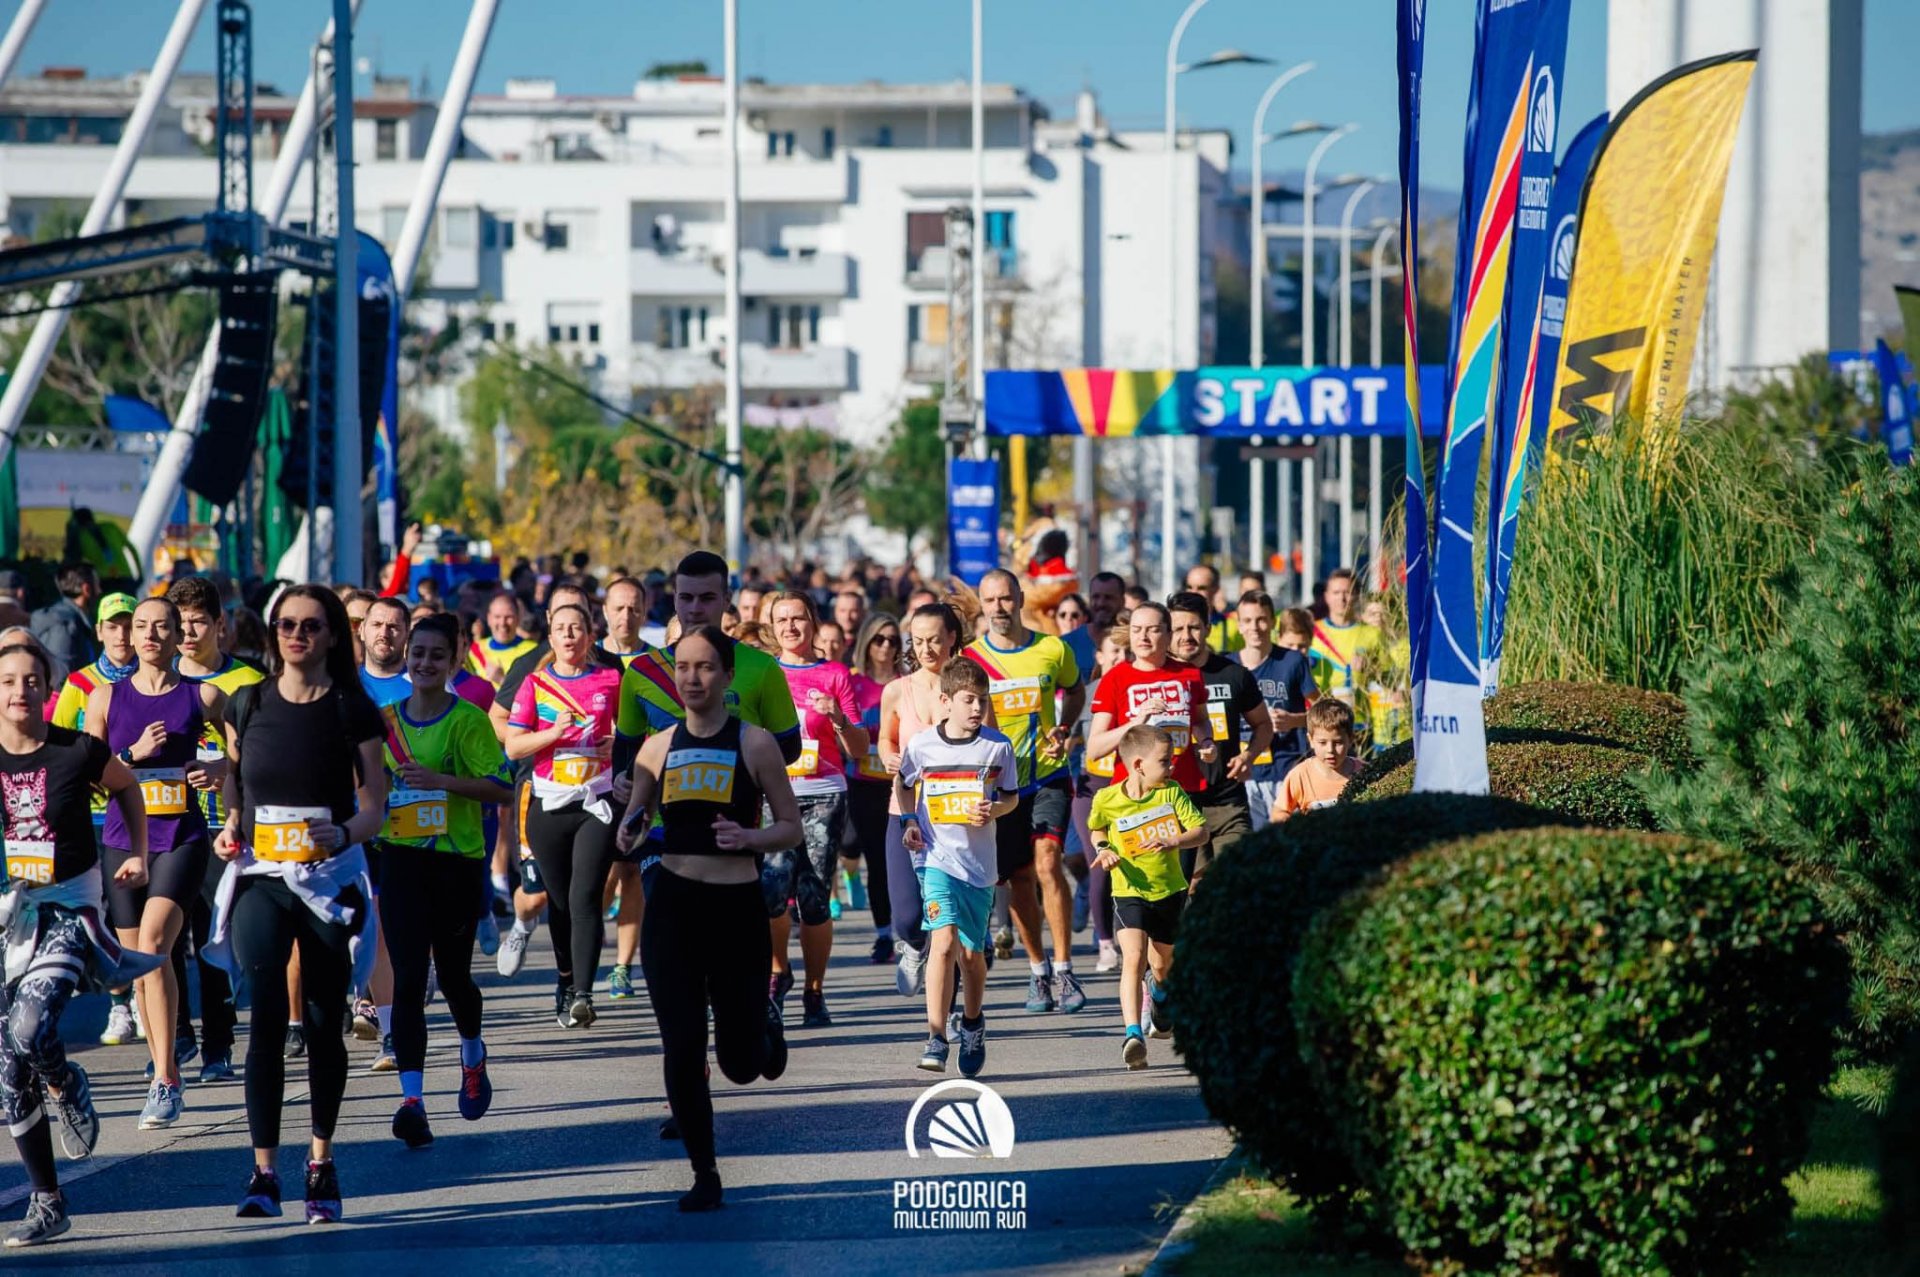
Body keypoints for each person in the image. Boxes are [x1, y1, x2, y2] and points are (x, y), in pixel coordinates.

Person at [209, 585, 387, 1224]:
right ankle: (262, 1173)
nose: (297, 635)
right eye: (286, 624)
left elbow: (376, 805)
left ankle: (320, 1161)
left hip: (330, 878)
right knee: (262, 1011)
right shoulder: (248, 700)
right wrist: (231, 822)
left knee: (320, 1019)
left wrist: (342, 833)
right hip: (262, 875)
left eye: (311, 626)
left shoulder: (352, 710)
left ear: (333, 636)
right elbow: (235, 777)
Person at [616, 625, 798, 1212]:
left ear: (725, 676)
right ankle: (705, 1172)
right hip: (672, 906)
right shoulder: (655, 747)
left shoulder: (756, 743)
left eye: (705, 668)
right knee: (682, 1043)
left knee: (742, 1066)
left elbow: (790, 827)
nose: (692, 678)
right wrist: (628, 829)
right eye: (683, 668)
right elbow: (634, 822)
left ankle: (761, 1030)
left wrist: (749, 835)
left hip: (735, 909)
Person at [0, 641, 160, 1247]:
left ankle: (67, 1084)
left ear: (48, 689)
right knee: (9, 1069)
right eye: (9, 681)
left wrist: (137, 855)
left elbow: (128, 788)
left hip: (67, 909)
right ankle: (48, 1202)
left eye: (32, 680)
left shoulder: (77, 751)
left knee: (30, 1026)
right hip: (5, 919)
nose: (20, 691)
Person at [83, 598, 226, 1128]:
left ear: (177, 637)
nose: (149, 635)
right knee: (137, 965)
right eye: (140, 626)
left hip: (181, 837)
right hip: (122, 841)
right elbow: (90, 777)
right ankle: (167, 1064)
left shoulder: (203, 695)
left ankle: (165, 1077)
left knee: (154, 944)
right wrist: (133, 757)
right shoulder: (104, 699)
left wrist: (221, 770)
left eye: (161, 626)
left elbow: (239, 749)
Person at [375, 613, 511, 1148]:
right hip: (401, 859)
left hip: (456, 861)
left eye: (437, 655)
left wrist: (442, 783)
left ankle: (472, 1053)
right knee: (409, 978)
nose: (426, 663)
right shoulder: (384, 722)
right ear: (406, 658)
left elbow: (501, 789)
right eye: (418, 654)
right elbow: (366, 786)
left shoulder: (469, 721)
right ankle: (413, 1102)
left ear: (454, 660)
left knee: (454, 978)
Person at [963, 570, 1086, 1015]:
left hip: (1047, 775)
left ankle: (1066, 967)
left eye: (1006, 598)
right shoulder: (971, 659)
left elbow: (1075, 690)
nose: (999, 608)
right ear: (982, 604)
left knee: (1049, 862)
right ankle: (1039, 971)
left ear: (1019, 599)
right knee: (1017, 879)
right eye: (990, 600)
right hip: (1000, 783)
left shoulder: (1051, 648)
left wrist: (1066, 727)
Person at [502, 603, 628, 1028]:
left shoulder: (611, 679)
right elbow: (513, 747)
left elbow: (635, 731)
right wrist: (552, 734)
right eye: (561, 629)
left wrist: (619, 745)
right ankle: (565, 979)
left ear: (590, 636)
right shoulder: (535, 684)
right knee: (557, 903)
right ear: (551, 638)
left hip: (597, 803)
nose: (570, 635)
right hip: (549, 805)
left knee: (584, 897)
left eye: (577, 628)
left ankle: (584, 995)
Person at [897, 658, 1018, 1078]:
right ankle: (935, 1036)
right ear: (946, 701)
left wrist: (994, 809)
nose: (976, 708)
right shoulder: (922, 745)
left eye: (982, 701)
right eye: (969, 700)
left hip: (979, 866)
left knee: (970, 955)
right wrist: (910, 822)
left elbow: (1011, 797)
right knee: (943, 942)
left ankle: (972, 1023)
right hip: (935, 859)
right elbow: (905, 782)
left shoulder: (998, 746)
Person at [1085, 602, 1216, 972]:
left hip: (1179, 795)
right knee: (1137, 895)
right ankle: (1137, 977)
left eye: (1153, 629)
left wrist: (1206, 743)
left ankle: (1161, 976)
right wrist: (1136, 721)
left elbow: (1202, 724)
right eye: (1138, 630)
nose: (1144, 637)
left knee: (1176, 892)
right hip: (1131, 804)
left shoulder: (1189, 675)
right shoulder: (1116, 678)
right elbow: (1094, 748)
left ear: (1167, 632)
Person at [169, 576, 264, 1077]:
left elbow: (265, 754)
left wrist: (226, 771)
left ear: (220, 625)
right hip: (166, 822)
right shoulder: (158, 679)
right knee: (164, 932)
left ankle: (218, 1046)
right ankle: (177, 1035)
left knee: (210, 930)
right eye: (179, 623)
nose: (187, 633)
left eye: (198, 622)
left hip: (222, 825)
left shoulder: (247, 681)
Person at [765, 592, 867, 1027]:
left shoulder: (834, 674)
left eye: (799, 619)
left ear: (813, 622)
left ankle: (814, 989)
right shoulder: (763, 674)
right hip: (774, 794)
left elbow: (860, 748)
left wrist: (838, 717)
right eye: (781, 619)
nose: (790, 627)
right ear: (771, 626)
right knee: (771, 892)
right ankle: (777, 972)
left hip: (824, 792)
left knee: (813, 898)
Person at [1087, 724, 1208, 1070]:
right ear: (1139, 764)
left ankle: (1160, 994)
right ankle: (1132, 1035)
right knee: (1134, 958)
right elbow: (1097, 827)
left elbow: (1201, 830)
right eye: (1165, 761)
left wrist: (1175, 841)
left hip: (1169, 891)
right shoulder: (1107, 799)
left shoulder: (1171, 793)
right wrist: (1104, 848)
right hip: (1129, 891)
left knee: (1160, 965)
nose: (1171, 767)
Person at [878, 602, 967, 998]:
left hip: (956, 818)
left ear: (952, 637)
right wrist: (887, 755)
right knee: (910, 918)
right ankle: (913, 947)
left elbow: (995, 743)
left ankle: (949, 1009)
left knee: (951, 925)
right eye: (918, 641)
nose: (927, 649)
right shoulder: (898, 690)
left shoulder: (968, 688)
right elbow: (886, 737)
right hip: (907, 811)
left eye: (934, 639)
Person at [1166, 593, 1272, 889]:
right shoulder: (1161, 679)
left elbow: (1263, 725)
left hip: (1228, 800)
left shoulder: (1234, 675)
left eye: (1194, 627)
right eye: (1178, 628)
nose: (1186, 636)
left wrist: (1248, 756)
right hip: (1180, 803)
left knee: (1235, 879)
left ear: (1208, 627)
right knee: (1193, 887)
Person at [1069, 623, 1129, 972]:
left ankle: (1127, 934)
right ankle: (1106, 943)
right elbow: (1067, 737)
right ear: (1101, 656)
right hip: (1091, 788)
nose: (1120, 658)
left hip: (1128, 789)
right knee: (1100, 866)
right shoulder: (1087, 693)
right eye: (1114, 651)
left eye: (1126, 651)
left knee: (1127, 866)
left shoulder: (1135, 690)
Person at [842, 613, 901, 963]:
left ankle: (911, 928)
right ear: (866, 642)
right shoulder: (852, 683)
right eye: (879, 639)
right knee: (877, 861)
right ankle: (883, 934)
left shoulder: (907, 683)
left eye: (893, 640)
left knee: (904, 862)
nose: (885, 646)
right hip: (862, 784)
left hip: (901, 785)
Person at [1235, 594, 1316, 832]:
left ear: (1272, 622)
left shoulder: (1292, 661)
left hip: (1286, 769)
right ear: (1239, 625)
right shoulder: (1228, 666)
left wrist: (1293, 720)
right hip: (1244, 774)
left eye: (1261, 620)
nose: (1255, 628)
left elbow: (1322, 713)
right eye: (1247, 621)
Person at [1310, 569, 1383, 749]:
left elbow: (1387, 678)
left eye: (1348, 592)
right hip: (1322, 724)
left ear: (1357, 596)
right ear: (1326, 596)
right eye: (1336, 593)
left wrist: (1372, 668)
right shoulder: (1313, 633)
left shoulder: (1372, 634)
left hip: (1359, 724)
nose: (1342, 599)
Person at [48, 592, 136, 733]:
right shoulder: (77, 683)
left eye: (128, 627)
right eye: (112, 627)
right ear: (99, 632)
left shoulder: (154, 680)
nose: (121, 636)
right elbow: (59, 742)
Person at [1272, 699, 1364, 821]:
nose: (1330, 750)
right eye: (1322, 742)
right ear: (1310, 740)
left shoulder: (1364, 772)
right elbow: (1279, 813)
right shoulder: (1301, 775)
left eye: (1338, 742)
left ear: (1350, 739)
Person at [30, 564, 100, 686]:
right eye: (97, 585)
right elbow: (60, 678)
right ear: (87, 589)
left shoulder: (74, 621)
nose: (100, 591)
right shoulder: (65, 625)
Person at [469, 592, 538, 687]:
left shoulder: (533, 652)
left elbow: (534, 694)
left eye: (508, 617)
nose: (502, 623)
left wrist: (501, 679)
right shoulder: (475, 650)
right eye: (497, 617)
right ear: (489, 619)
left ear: (518, 618)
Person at [358, 598, 412, 707]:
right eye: (377, 624)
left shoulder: (425, 687)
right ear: (362, 630)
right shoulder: (343, 684)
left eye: (393, 627)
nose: (383, 634)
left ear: (407, 635)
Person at [1183, 563, 1243, 654]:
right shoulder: (1173, 627)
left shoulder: (1233, 627)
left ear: (1216, 589)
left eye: (1201, 588)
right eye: (1189, 587)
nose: (1194, 593)